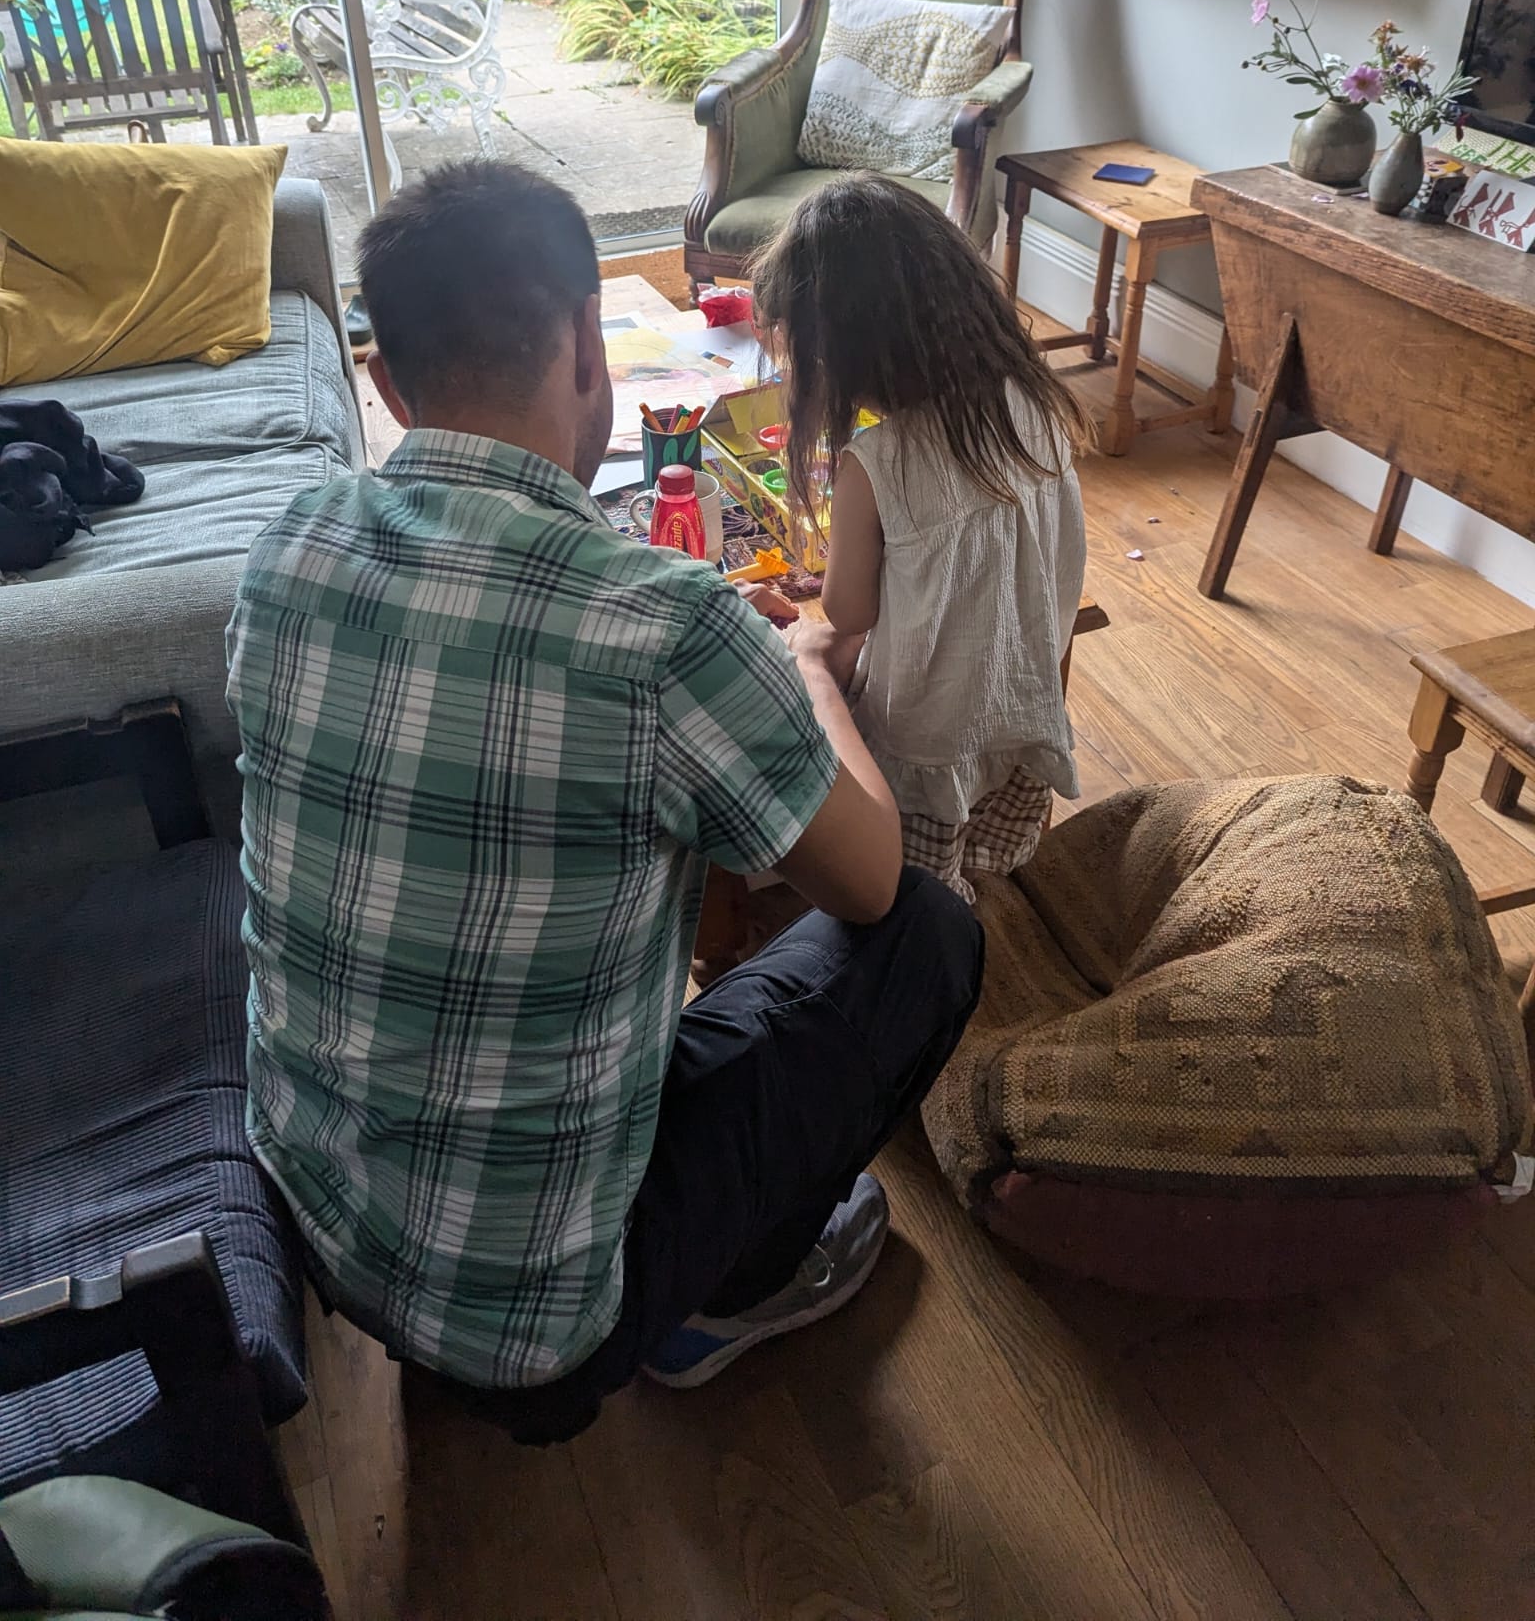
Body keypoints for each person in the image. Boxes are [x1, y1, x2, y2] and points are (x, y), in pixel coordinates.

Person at [225, 160, 983, 1445]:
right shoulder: (666, 626)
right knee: (933, 929)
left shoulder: (286, 545)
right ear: (590, 338)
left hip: (314, 1230)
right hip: (540, 1336)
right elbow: (870, 874)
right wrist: (802, 673)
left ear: (388, 384)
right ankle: (717, 1299)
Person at [752, 171, 1089, 904]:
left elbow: (846, 616)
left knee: (916, 921)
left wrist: (804, 643)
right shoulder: (1034, 403)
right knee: (989, 895)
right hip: (1022, 718)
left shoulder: (878, 464)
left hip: (922, 759)